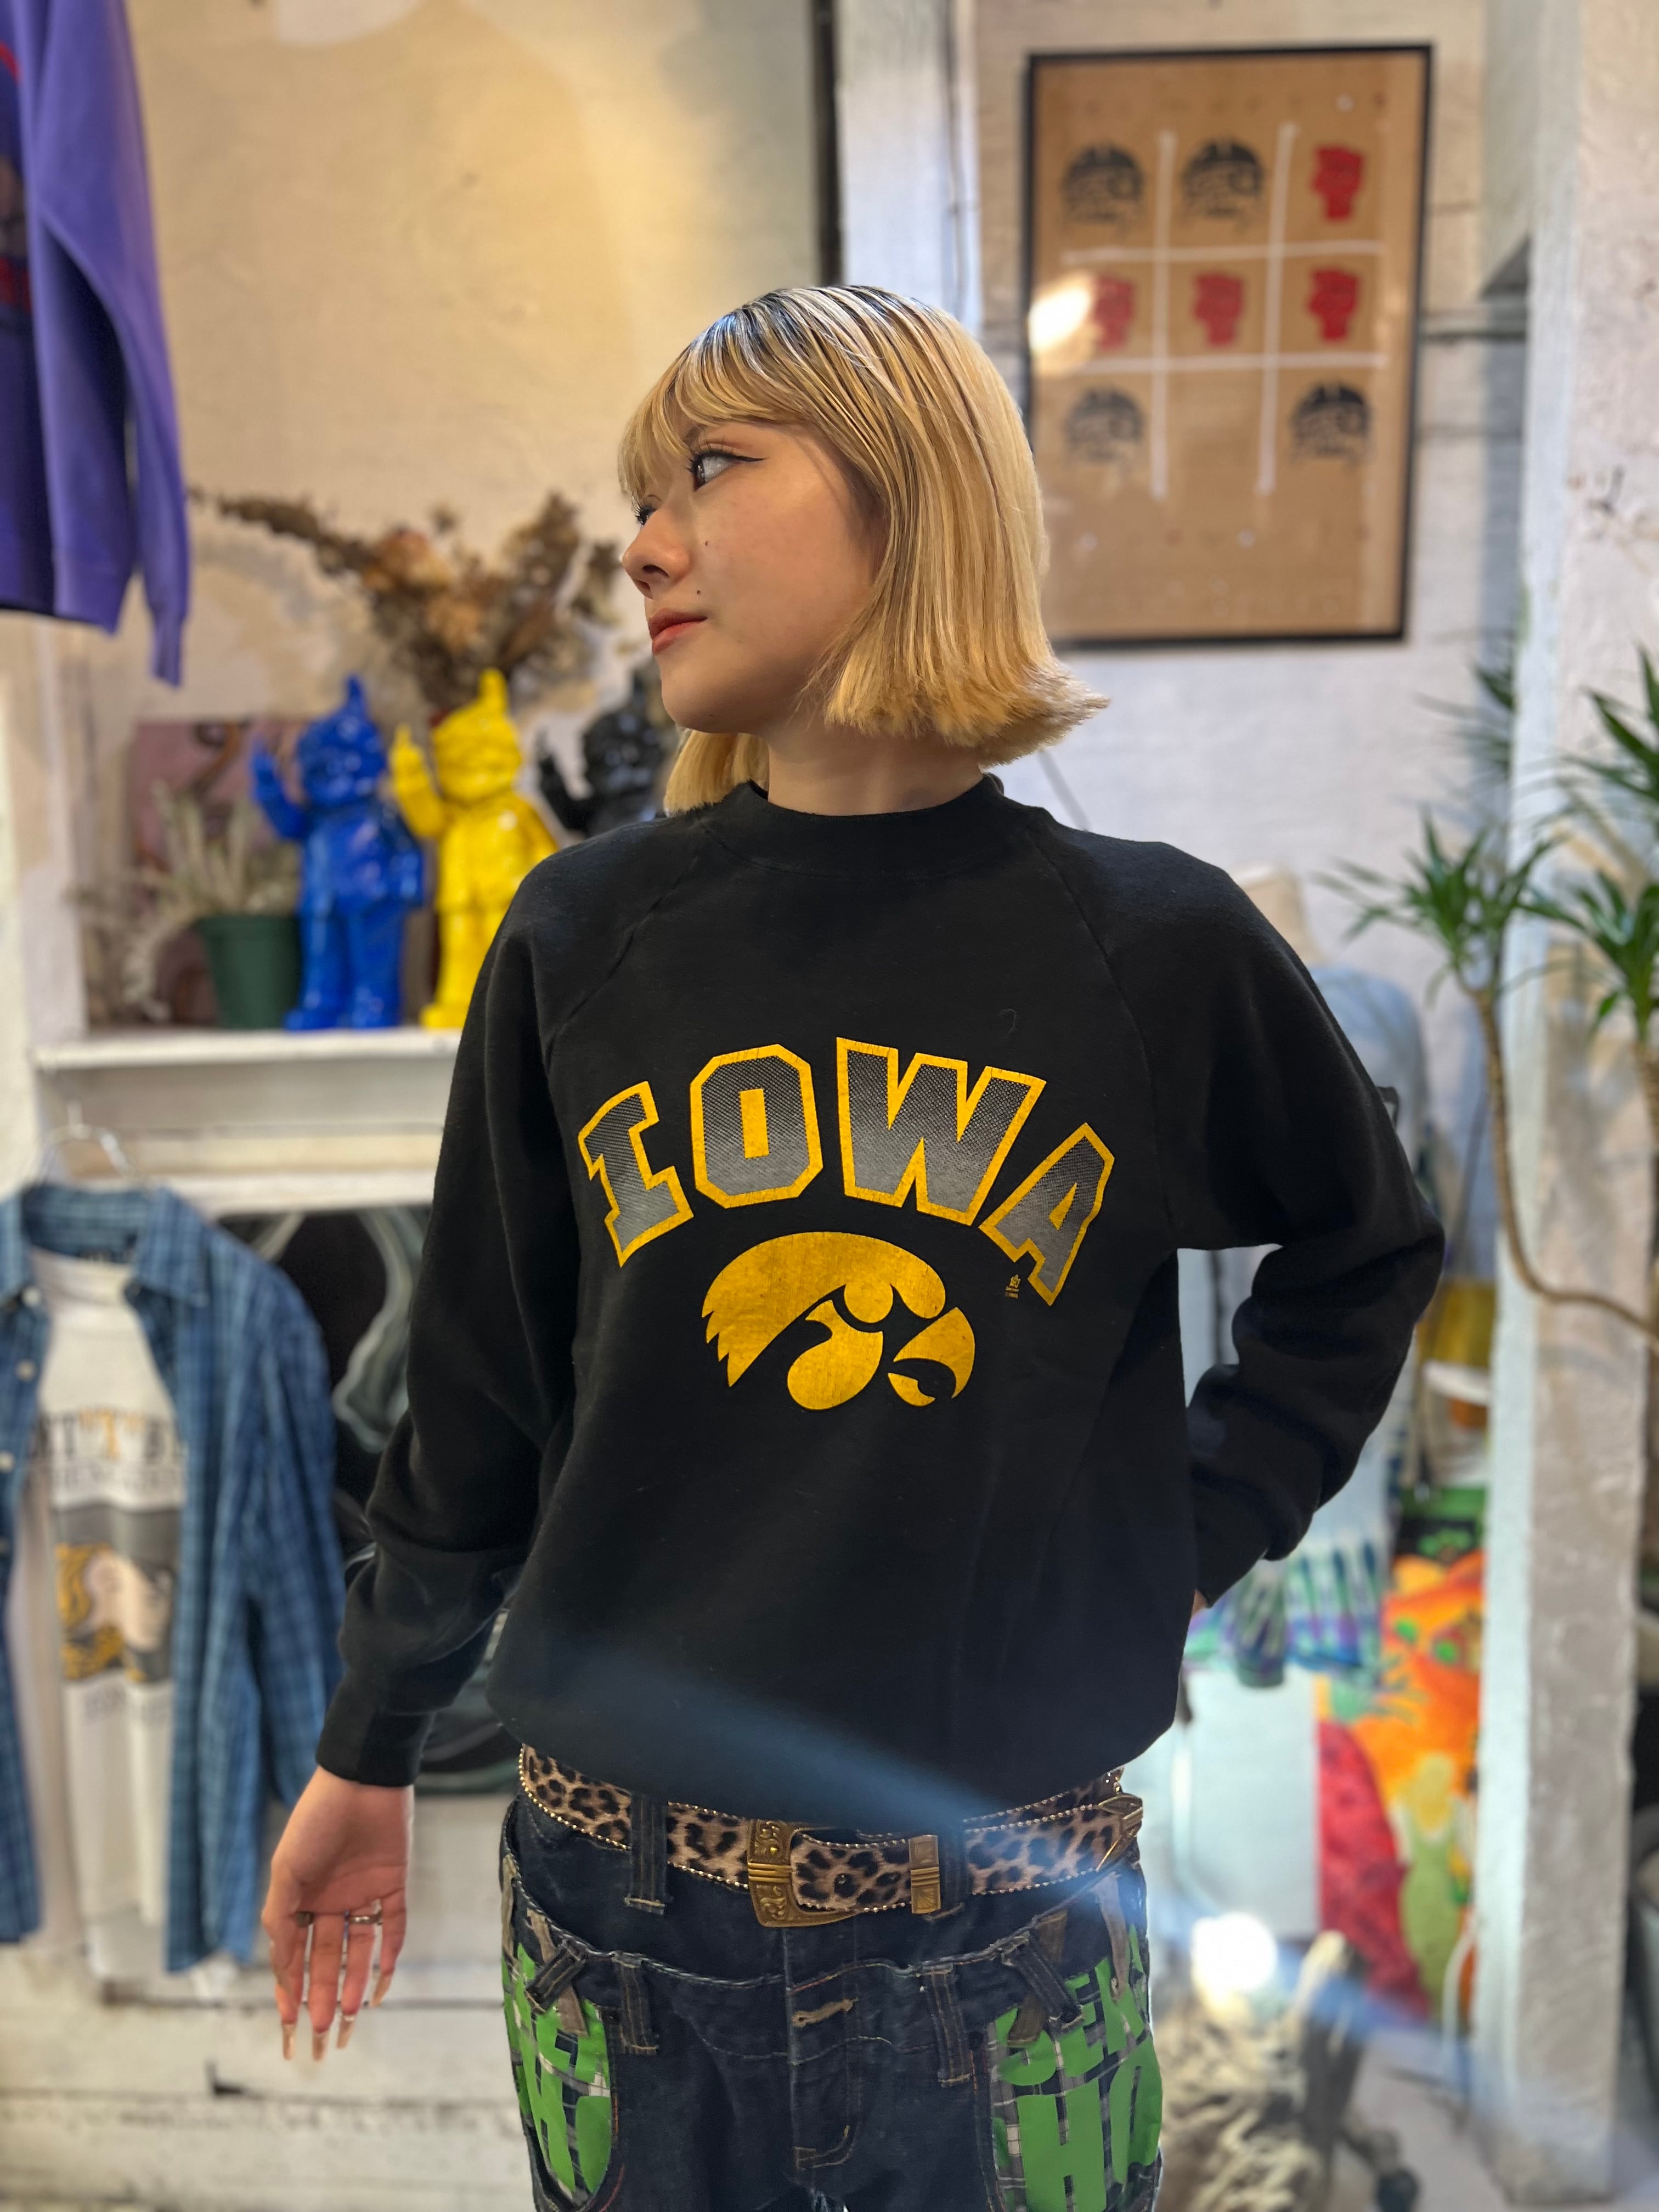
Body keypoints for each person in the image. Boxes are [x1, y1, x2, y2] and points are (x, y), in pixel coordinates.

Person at [262, 285, 1443, 2211]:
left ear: (909, 496)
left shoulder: (1152, 948)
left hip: (1006, 1918)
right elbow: (473, 1402)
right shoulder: (583, 939)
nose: (645, 546)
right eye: (642, 496)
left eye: (710, 472)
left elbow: (1364, 1251)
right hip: (618, 1907)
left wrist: (1186, 1530)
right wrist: (369, 1743)